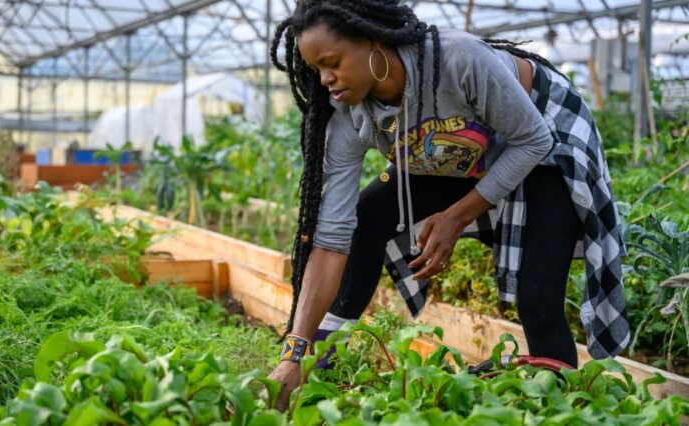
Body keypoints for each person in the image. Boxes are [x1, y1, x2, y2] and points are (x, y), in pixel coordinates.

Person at [268, 0, 629, 408]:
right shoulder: (348, 112)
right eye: (316, 69)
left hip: (543, 137)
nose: (325, 79)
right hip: (457, 149)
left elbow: (533, 141)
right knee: (367, 218)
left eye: (332, 62)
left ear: (372, 41)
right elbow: (331, 240)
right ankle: (319, 366)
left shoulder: (458, 59)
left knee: (537, 293)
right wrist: (294, 351)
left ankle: (562, 408)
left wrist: (456, 216)